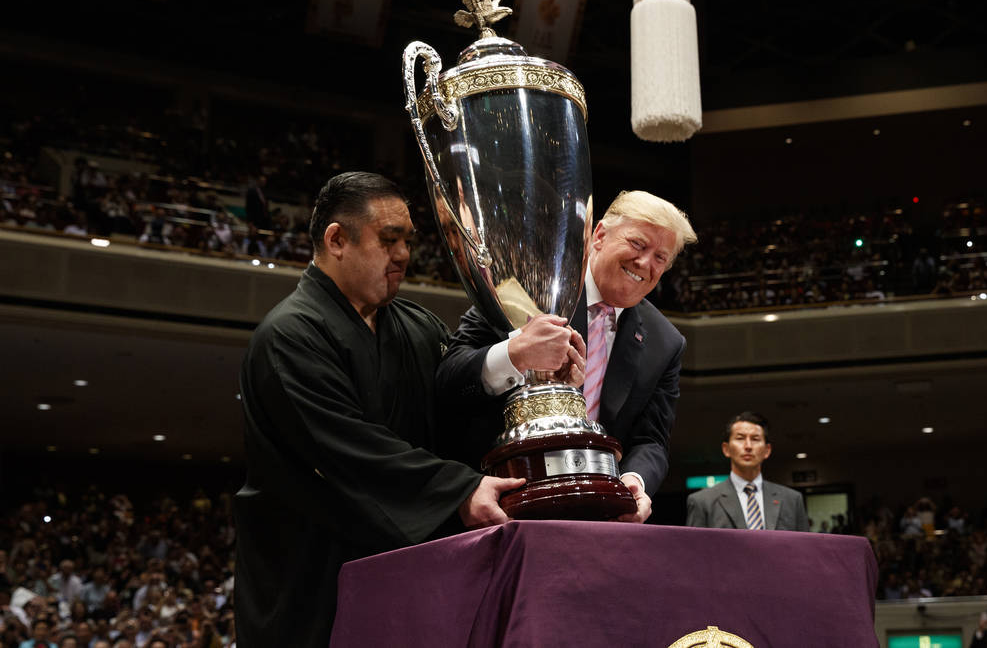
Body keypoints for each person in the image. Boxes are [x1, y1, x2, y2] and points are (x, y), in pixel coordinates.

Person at [234, 171, 523, 648]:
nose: (404, 255)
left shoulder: (418, 326)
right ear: (337, 239)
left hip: (411, 574)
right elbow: (345, 448)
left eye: (407, 240)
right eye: (389, 240)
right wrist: (458, 489)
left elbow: (457, 409)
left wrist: (518, 373)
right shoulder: (288, 335)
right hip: (311, 578)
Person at [437, 190, 697, 523]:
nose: (645, 264)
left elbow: (651, 440)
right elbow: (447, 380)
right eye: (637, 244)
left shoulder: (666, 342)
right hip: (500, 505)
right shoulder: (524, 287)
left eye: (660, 257)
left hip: (596, 516)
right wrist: (513, 355)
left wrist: (634, 481)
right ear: (600, 235)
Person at [685, 412, 809, 531]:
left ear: (767, 450)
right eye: (740, 438)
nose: (748, 446)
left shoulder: (792, 500)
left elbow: (805, 549)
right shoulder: (703, 502)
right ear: (726, 449)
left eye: (755, 439)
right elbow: (693, 550)